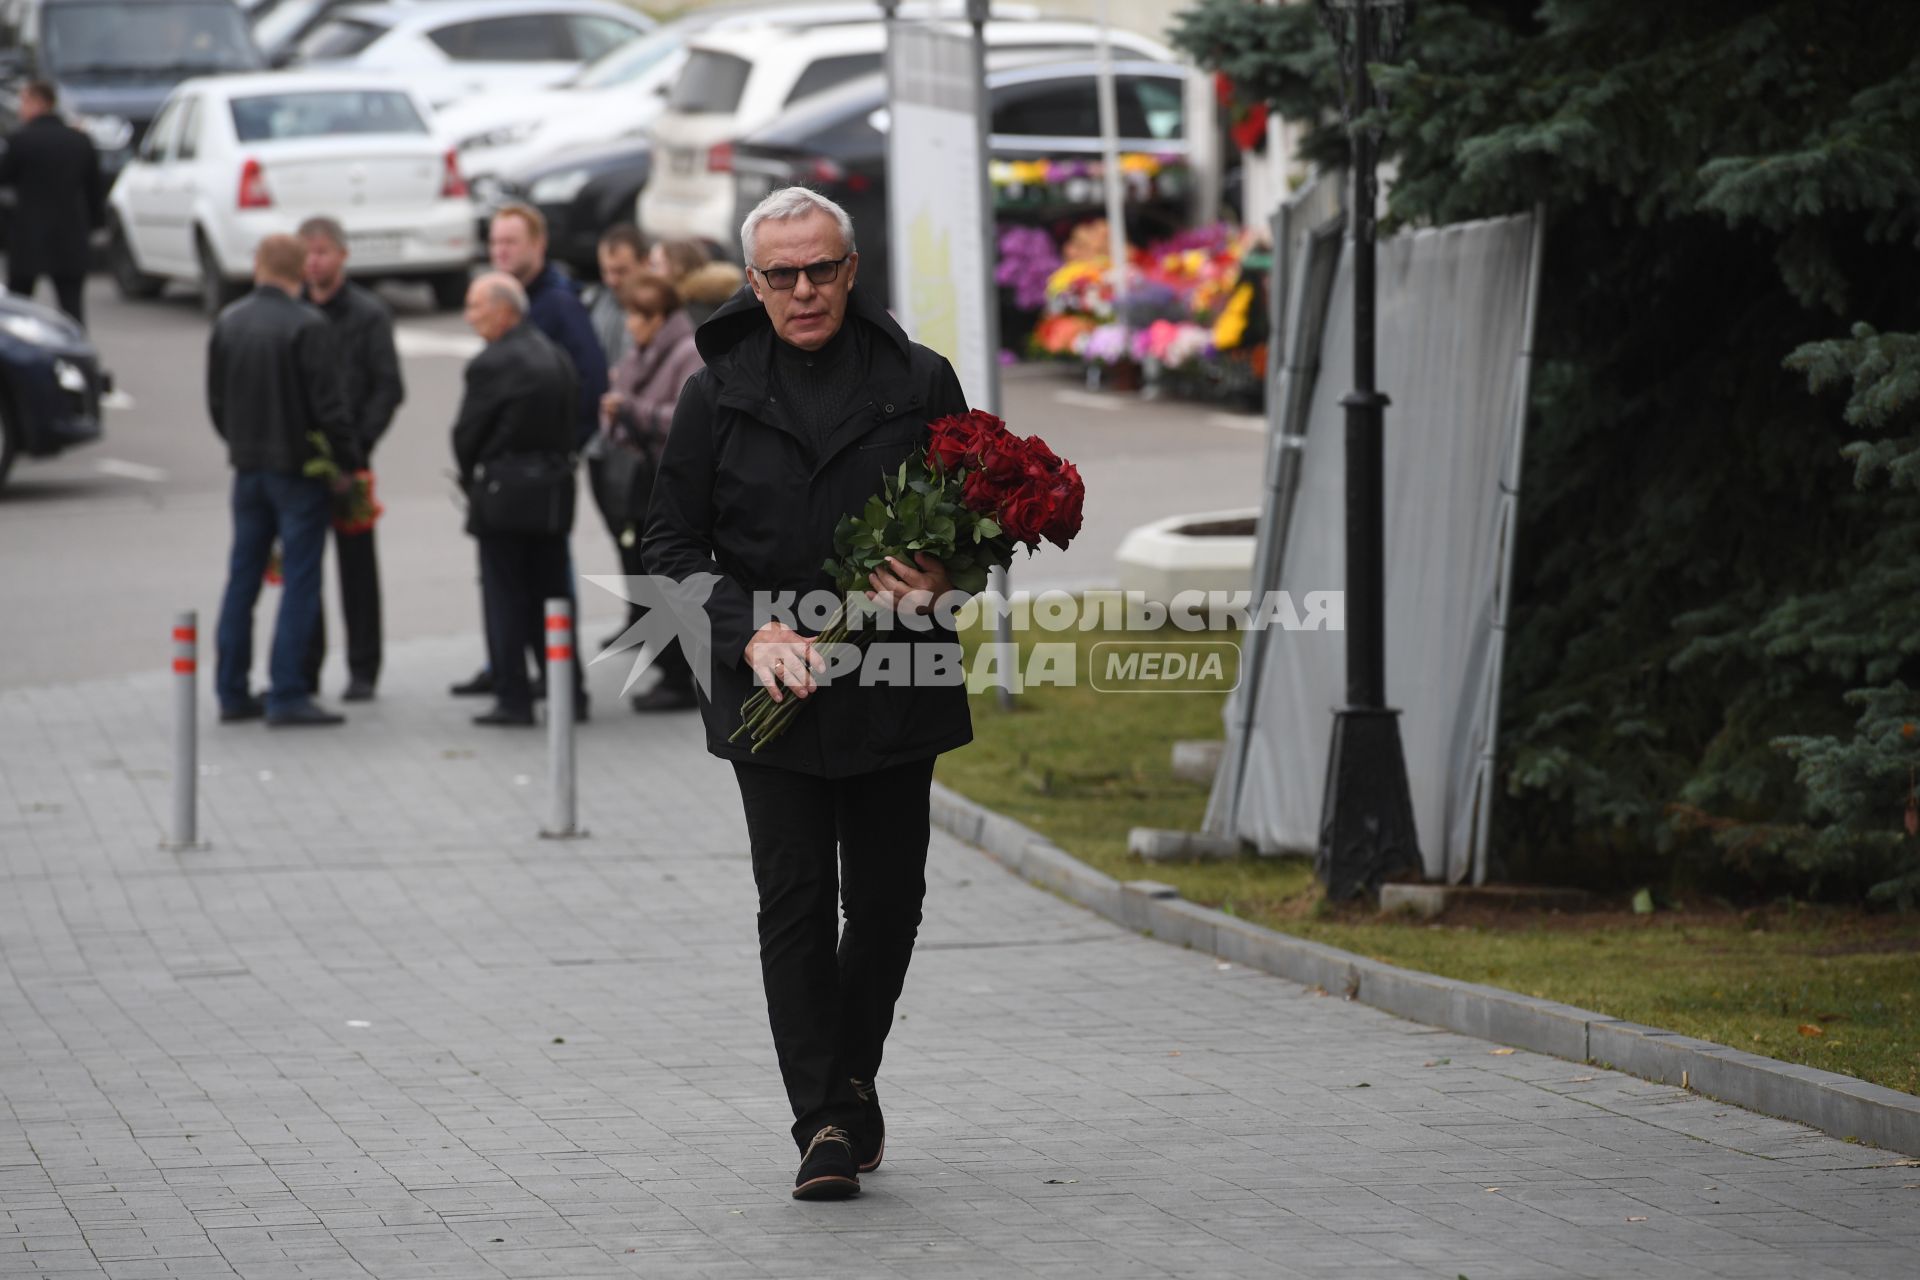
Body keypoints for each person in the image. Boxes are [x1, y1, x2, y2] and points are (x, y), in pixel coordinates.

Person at [643, 188, 971, 1200]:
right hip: (767, 691)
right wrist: (751, 633)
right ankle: (823, 1117)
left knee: (886, 901)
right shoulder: (717, 389)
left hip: (891, 677)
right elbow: (669, 545)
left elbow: (975, 527)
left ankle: (852, 1072)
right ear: (753, 282)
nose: (802, 289)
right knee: (792, 900)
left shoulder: (920, 381)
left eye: (819, 268)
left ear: (851, 268)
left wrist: (945, 576)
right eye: (780, 274)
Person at [451, 204, 607, 700]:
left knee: (538, 582)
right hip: (541, 475)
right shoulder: (521, 309)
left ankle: (527, 681)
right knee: (531, 581)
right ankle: (518, 670)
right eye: (495, 242)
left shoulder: (558, 305)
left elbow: (590, 381)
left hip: (533, 474)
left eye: (510, 242)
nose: (500, 251)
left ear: (538, 246)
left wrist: (564, 449)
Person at [208, 235, 359, 728]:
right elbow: (330, 409)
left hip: (248, 469)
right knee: (300, 579)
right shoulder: (307, 326)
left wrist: (240, 443)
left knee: (243, 578)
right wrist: (346, 463)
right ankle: (287, 691)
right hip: (297, 472)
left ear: (257, 266)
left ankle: (231, 690)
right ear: (300, 272)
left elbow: (217, 402)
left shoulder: (229, 321)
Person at [455, 273, 586, 726]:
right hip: (553, 495)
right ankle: (571, 694)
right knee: (553, 597)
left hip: (505, 496)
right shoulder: (555, 354)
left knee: (505, 598)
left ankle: (513, 699)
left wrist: (470, 473)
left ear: (504, 309)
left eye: (476, 307)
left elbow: (467, 433)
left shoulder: (491, 363)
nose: (470, 317)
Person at [297, 215, 405, 703]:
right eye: (307, 253)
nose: (314, 261)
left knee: (357, 570)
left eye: (323, 252)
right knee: (302, 568)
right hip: (300, 462)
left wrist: (358, 446)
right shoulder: (293, 311)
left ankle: (364, 668)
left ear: (342, 255)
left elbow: (388, 386)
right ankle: (304, 666)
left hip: (353, 459)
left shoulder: (368, 314)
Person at [600, 271, 701, 711]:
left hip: (672, 485)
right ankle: (670, 671)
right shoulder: (641, 352)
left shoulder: (685, 352)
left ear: (658, 317)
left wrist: (630, 409)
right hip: (645, 484)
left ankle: (681, 678)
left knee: (668, 583)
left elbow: (684, 419)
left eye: (636, 317)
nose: (629, 326)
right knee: (646, 577)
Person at [0, 80, 104, 325]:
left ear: (38, 102)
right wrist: (95, 227)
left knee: (18, 309)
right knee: (72, 309)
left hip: (28, 237)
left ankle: (18, 359)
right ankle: (75, 355)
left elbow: (3, 178)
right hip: (70, 236)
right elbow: (94, 190)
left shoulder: (20, 141)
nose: (20, 109)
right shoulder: (80, 141)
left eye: (24, 101)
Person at [585, 223, 646, 367]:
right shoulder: (593, 301)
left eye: (621, 271)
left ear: (644, 263)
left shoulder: (661, 310)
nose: (612, 281)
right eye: (606, 271)